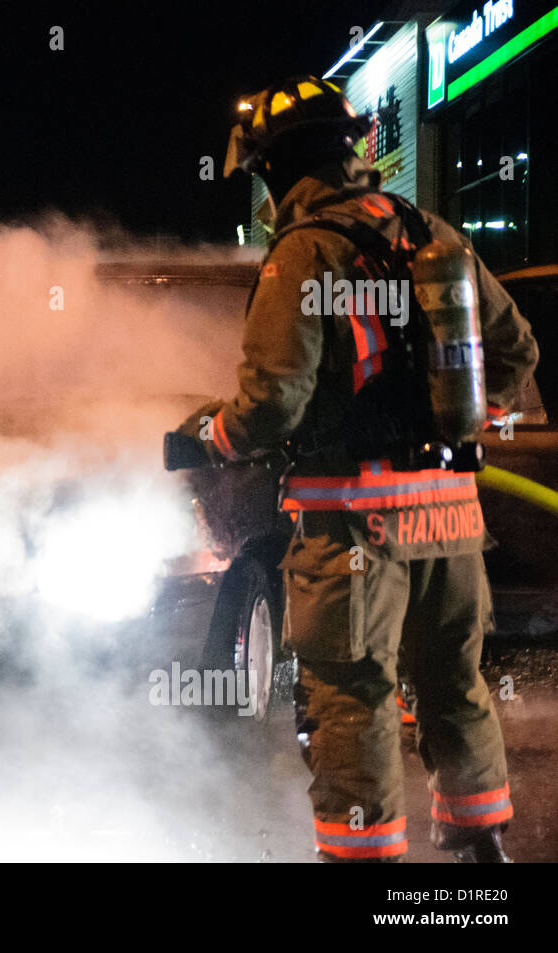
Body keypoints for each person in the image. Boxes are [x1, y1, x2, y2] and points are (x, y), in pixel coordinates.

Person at [178, 76, 538, 861]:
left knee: (353, 695)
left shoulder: (305, 251)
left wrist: (213, 437)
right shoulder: (433, 231)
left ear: (276, 167)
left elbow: (272, 401)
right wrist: (454, 420)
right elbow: (514, 350)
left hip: (354, 525)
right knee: (456, 683)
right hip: (451, 516)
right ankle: (483, 860)